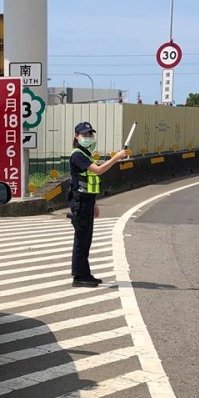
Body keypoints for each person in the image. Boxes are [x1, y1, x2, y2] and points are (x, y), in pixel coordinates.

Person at [68, 121, 128, 287]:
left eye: (90, 134)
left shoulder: (85, 153)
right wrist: (116, 157)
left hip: (86, 201)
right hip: (80, 202)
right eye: (84, 134)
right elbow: (98, 170)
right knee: (81, 239)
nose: (88, 137)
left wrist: (94, 203)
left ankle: (85, 274)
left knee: (86, 239)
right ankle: (78, 276)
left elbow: (89, 180)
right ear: (76, 136)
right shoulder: (78, 155)